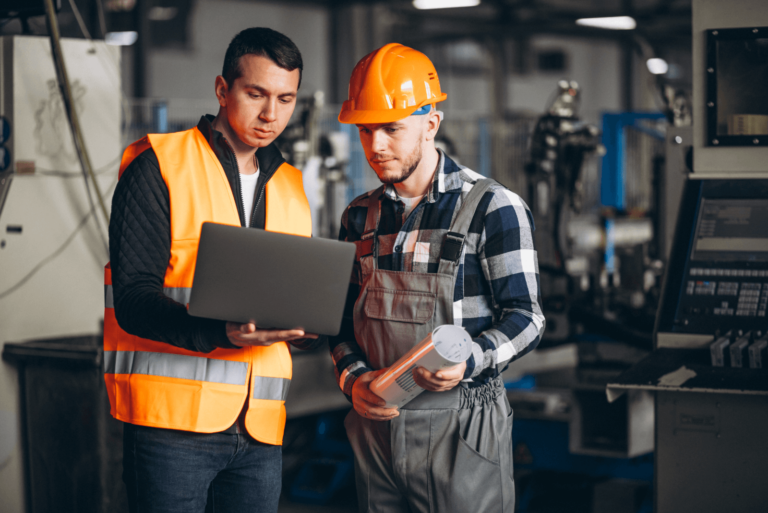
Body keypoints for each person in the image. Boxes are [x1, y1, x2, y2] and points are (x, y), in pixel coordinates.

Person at [105, 28, 319, 513]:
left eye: (286, 99)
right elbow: (134, 299)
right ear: (223, 90)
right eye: (256, 94)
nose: (271, 115)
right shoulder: (159, 165)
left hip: (261, 427)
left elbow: (293, 293)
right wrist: (219, 332)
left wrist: (308, 329)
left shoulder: (291, 185)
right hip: (171, 428)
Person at [330, 43, 546, 513]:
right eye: (366, 130)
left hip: (463, 430)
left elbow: (527, 318)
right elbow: (341, 326)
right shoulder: (358, 217)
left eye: (391, 128)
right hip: (376, 431)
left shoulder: (492, 207)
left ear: (431, 124)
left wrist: (472, 357)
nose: (376, 145)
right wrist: (354, 381)